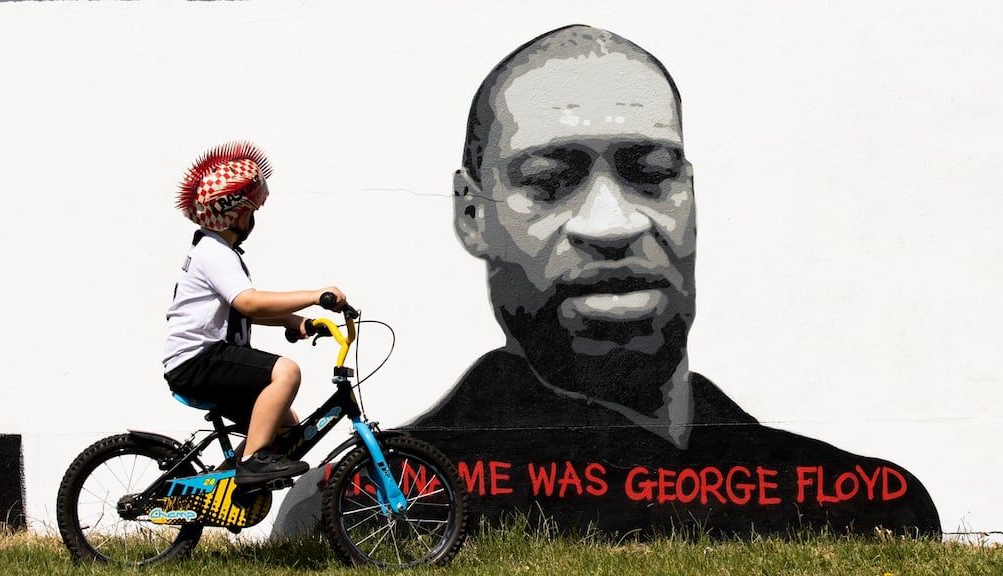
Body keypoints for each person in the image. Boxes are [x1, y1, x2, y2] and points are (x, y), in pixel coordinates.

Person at [399, 25, 941, 538]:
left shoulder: (861, 505)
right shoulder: (395, 502)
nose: (613, 225)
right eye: (549, 182)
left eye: (654, 174)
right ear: (472, 215)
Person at [163, 141, 347, 485]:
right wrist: (314, 296)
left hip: (203, 360)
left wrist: (295, 322)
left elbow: (240, 310)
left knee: (286, 427)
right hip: (199, 361)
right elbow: (250, 303)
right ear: (234, 213)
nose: (253, 220)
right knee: (286, 372)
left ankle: (227, 488)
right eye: (251, 211)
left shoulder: (216, 250)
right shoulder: (215, 252)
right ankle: (251, 463)